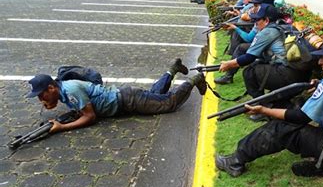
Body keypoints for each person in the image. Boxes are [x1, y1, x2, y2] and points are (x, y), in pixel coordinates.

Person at [215, 35, 323, 177]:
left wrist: (265, 110)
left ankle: (234, 162)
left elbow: (302, 118)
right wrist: (320, 85)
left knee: (281, 128)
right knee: (293, 110)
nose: (319, 62)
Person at [26, 59, 207, 133]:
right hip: (125, 96)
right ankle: (172, 69)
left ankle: (195, 79)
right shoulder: (64, 91)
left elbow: (90, 117)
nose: (42, 101)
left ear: (51, 88)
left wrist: (61, 127)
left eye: (42, 95)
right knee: (154, 94)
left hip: (128, 100)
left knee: (169, 103)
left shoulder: (70, 90)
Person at [217, 4, 311, 113]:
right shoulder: (277, 27)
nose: (255, 22)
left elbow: (249, 58)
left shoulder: (267, 32)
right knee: (258, 65)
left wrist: (229, 64)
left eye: (257, 19)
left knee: (249, 72)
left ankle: (261, 107)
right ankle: (278, 103)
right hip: (298, 73)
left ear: (266, 20)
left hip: (289, 74)